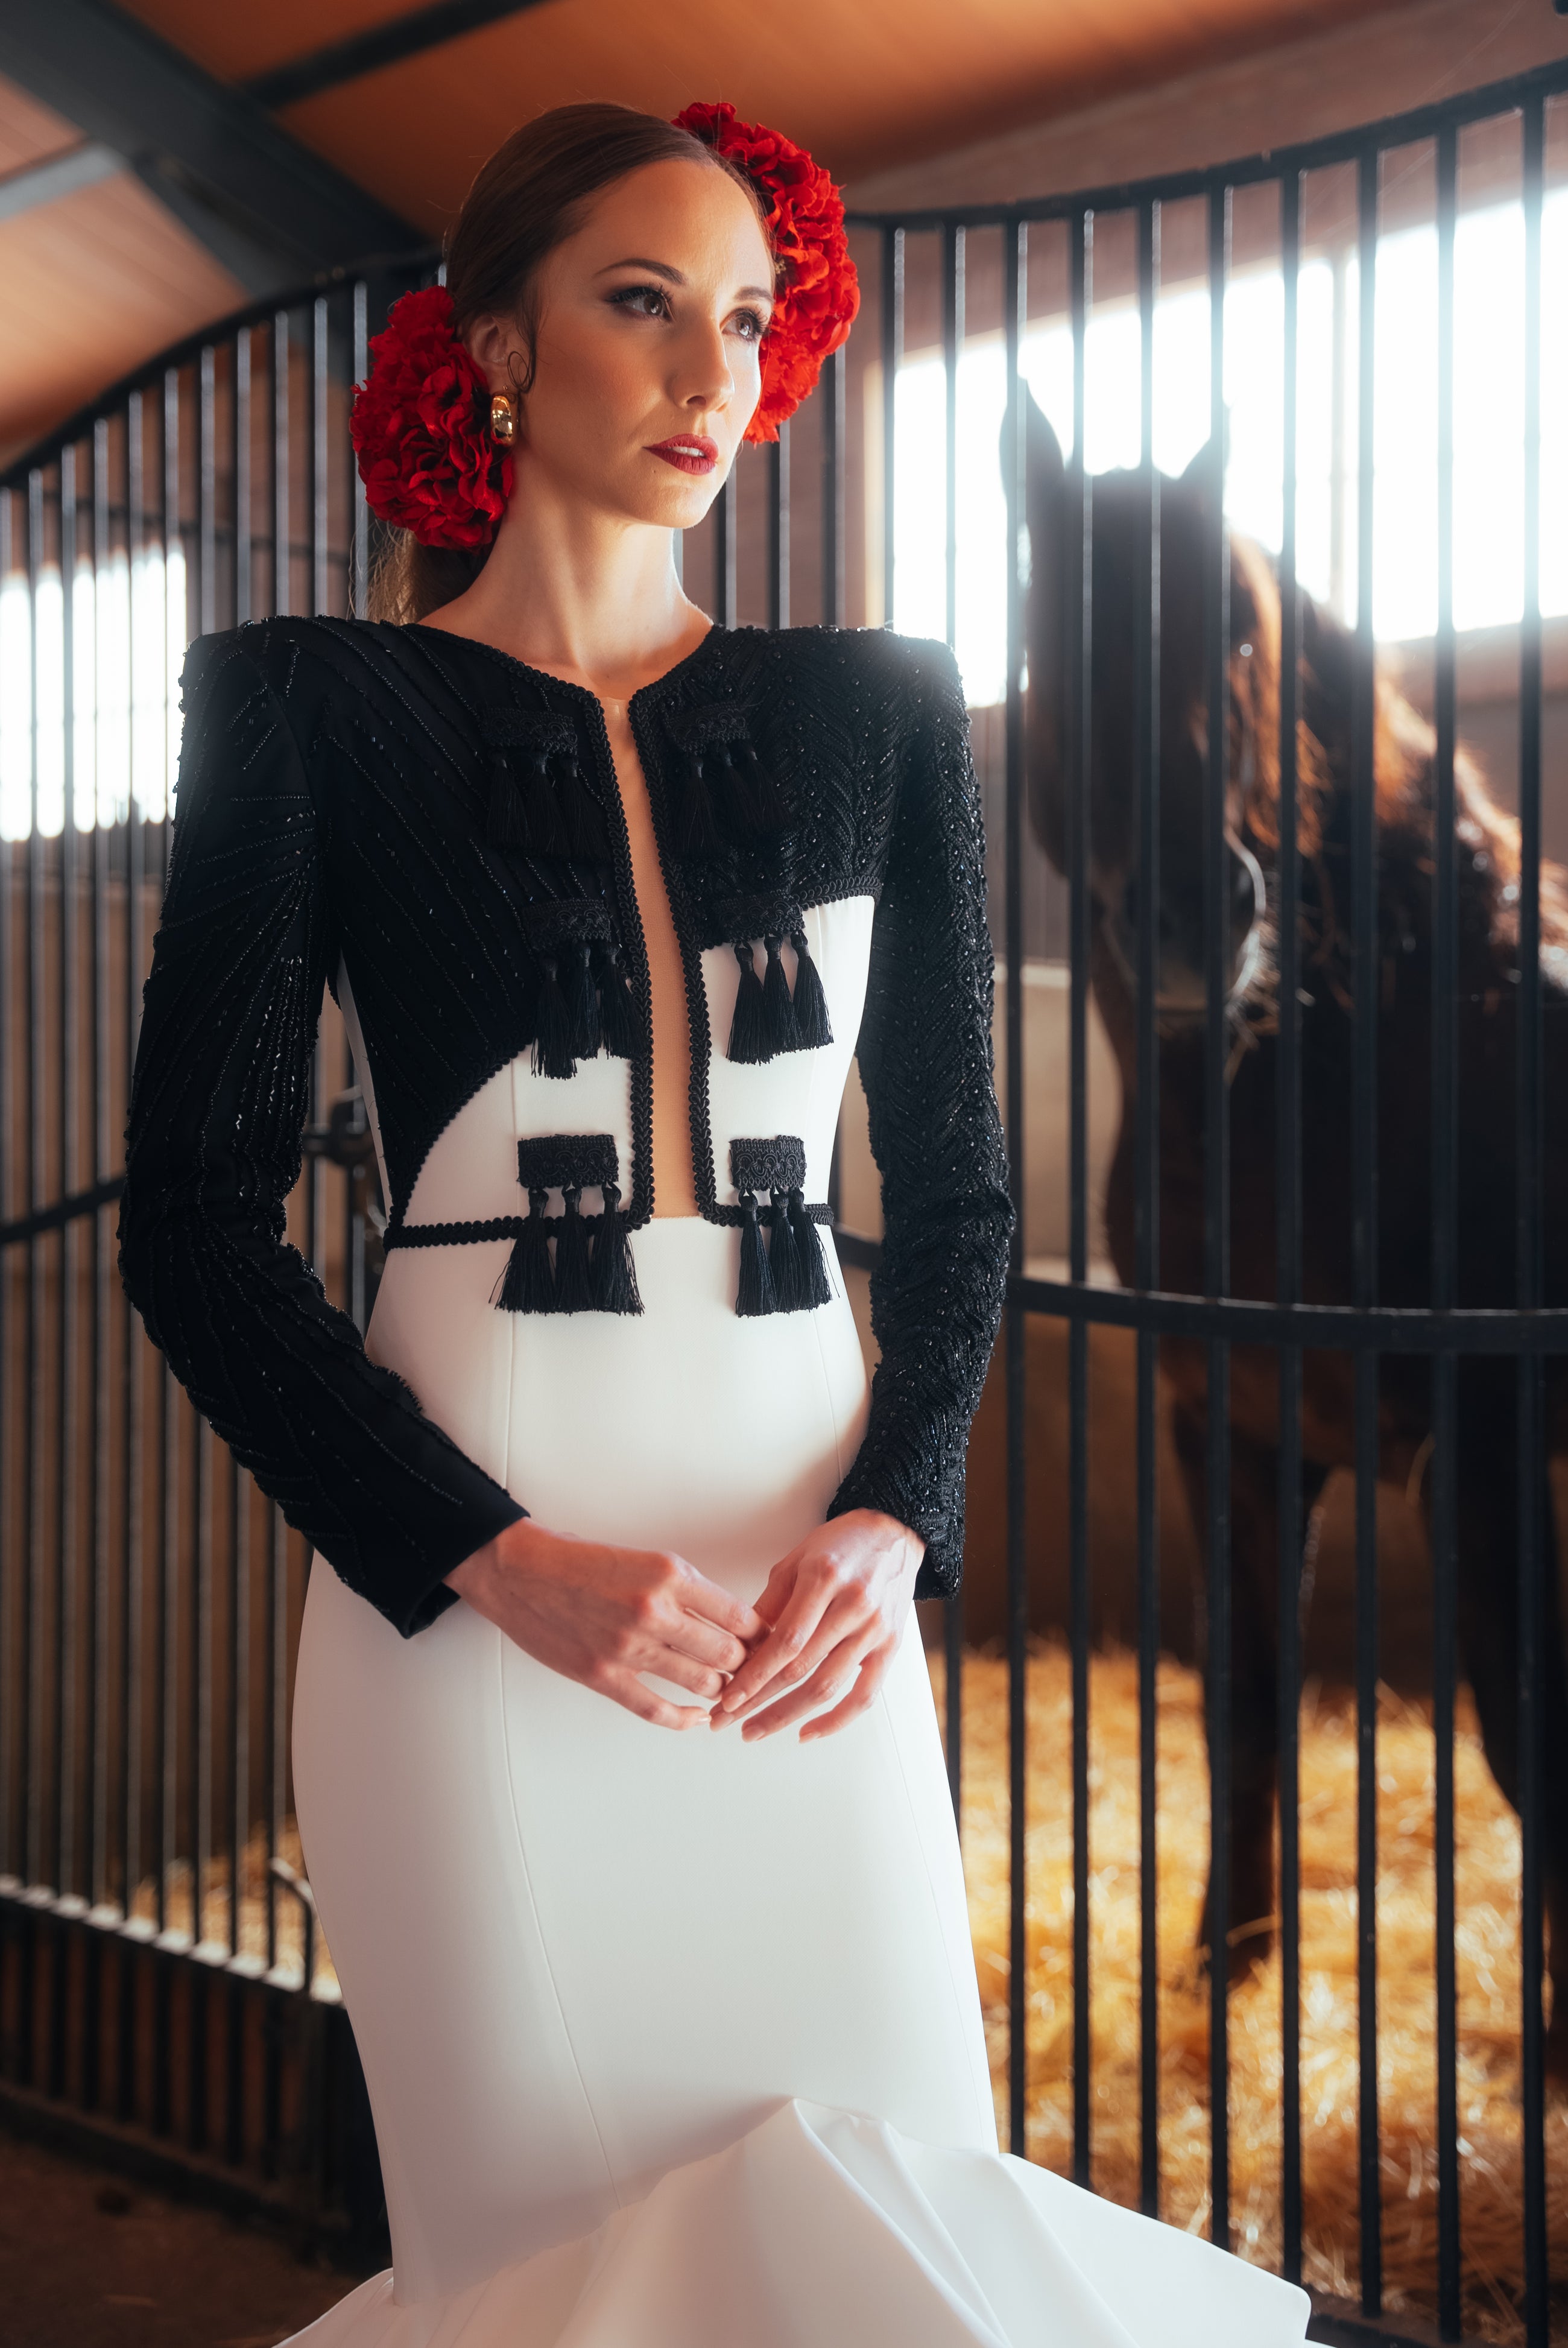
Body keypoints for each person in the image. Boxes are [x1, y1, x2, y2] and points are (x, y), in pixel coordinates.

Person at [119, 98, 1308, 2348]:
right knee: (549, 2292)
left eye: (748, 323)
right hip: (466, 1645)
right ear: (497, 349)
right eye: (642, 305)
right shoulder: (306, 708)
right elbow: (189, 1222)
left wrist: (889, 1528)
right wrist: (494, 1557)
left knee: (898, 2238)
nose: (710, 381)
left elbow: (960, 1193)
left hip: (812, 1642)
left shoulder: (879, 711)